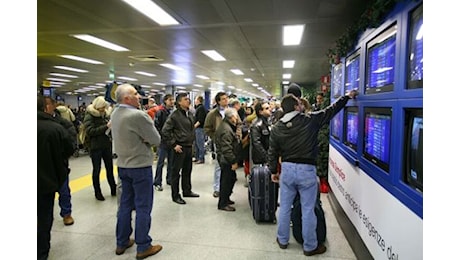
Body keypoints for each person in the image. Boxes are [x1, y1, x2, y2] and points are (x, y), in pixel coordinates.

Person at [268, 90, 358, 256]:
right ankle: (310, 246)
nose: (302, 105)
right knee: (308, 209)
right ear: (296, 106)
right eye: (299, 103)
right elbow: (330, 110)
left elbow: (272, 152)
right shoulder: (310, 120)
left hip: (287, 170)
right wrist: (346, 97)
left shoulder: (277, 127)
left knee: (285, 206)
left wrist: (273, 171)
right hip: (306, 170)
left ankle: (282, 239)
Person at [110, 83, 163, 259]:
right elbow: (156, 139)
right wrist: (144, 139)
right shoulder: (138, 116)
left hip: (123, 166)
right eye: (135, 94)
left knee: (125, 205)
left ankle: (122, 241)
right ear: (126, 98)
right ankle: (143, 246)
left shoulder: (115, 113)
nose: (139, 96)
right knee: (143, 206)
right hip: (140, 167)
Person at [37, 95, 75, 260]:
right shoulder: (54, 128)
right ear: (46, 108)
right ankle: (41, 253)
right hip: (49, 177)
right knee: (44, 219)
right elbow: (69, 149)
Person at [44, 96, 77, 226]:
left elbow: (71, 141)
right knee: (43, 193)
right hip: (41, 164)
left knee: (64, 190)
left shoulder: (62, 123)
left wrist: (63, 155)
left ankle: (66, 213)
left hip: (59, 163)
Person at [162, 92, 200, 205]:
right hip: (179, 147)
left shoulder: (189, 114)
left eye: (188, 99)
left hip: (188, 146)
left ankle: (187, 190)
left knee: (187, 170)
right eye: (185, 99)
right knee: (175, 172)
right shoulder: (174, 115)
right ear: (179, 102)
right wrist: (174, 144)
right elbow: (165, 131)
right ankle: (175, 195)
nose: (188, 101)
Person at [83, 96, 116, 201]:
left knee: (110, 168)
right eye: (102, 107)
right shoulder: (89, 115)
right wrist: (106, 127)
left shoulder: (106, 114)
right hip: (95, 146)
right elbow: (90, 131)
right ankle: (98, 192)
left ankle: (113, 188)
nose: (103, 109)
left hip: (106, 145)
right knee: (96, 170)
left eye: (104, 107)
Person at [214, 108, 240, 211]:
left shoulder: (227, 126)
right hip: (226, 160)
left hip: (226, 159)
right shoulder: (226, 130)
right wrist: (233, 161)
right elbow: (226, 148)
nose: (237, 118)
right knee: (226, 181)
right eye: (236, 116)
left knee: (231, 179)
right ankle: (223, 203)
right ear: (232, 117)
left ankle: (226, 198)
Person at [204, 92, 229, 198]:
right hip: (219, 142)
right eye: (223, 99)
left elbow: (238, 124)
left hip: (229, 142)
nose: (225, 100)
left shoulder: (231, 112)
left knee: (228, 166)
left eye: (226, 98)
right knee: (219, 165)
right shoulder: (213, 114)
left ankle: (226, 188)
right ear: (218, 101)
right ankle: (217, 188)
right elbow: (207, 128)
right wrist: (215, 137)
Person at [153, 94, 175, 191]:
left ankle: (169, 179)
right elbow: (157, 126)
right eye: (170, 100)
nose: (172, 102)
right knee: (160, 162)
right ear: (165, 101)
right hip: (163, 141)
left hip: (171, 141)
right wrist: (161, 137)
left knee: (171, 162)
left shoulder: (173, 113)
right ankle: (157, 182)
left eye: (173, 100)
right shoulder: (160, 112)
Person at [193, 95, 208, 164]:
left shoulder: (201, 108)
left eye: (195, 99)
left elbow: (200, 120)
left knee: (200, 144)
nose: (194, 101)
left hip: (199, 129)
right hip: (197, 129)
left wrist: (194, 126)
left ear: (198, 100)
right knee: (196, 144)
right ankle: (197, 157)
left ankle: (201, 158)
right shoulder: (198, 108)